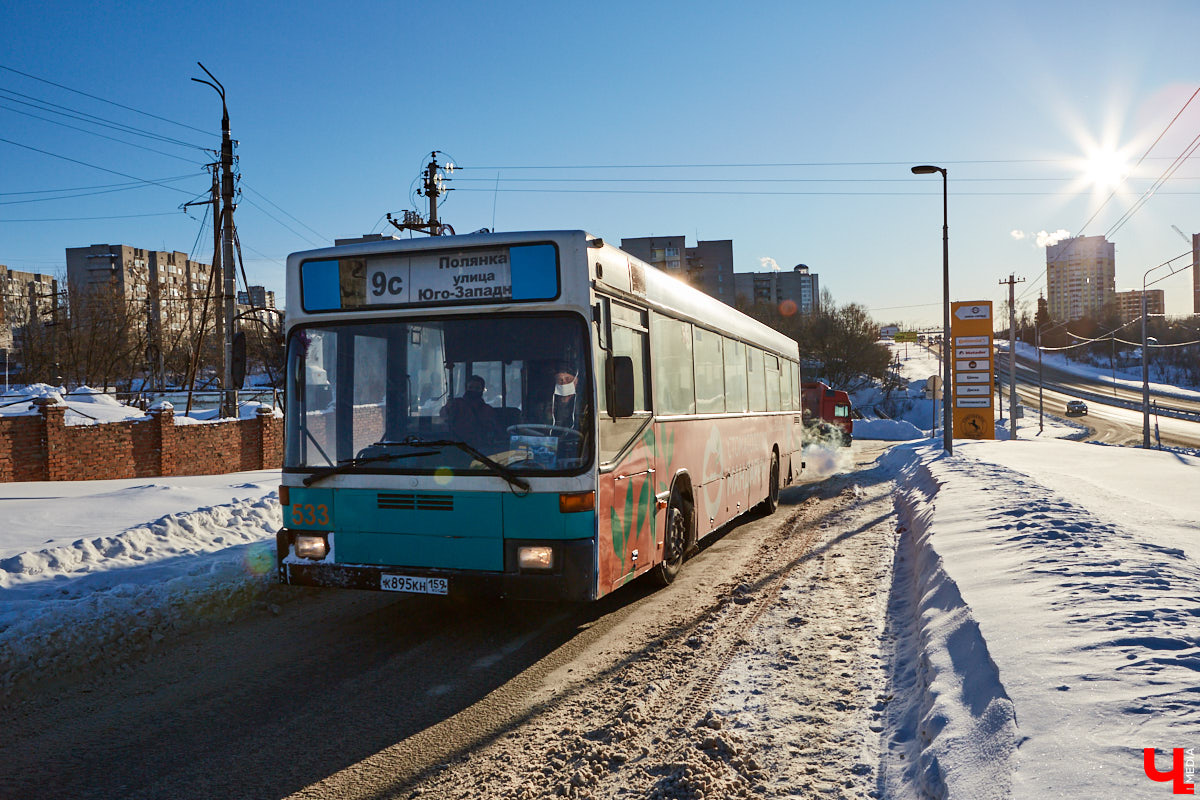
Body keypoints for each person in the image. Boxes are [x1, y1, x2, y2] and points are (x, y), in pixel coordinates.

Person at [441, 374, 501, 445]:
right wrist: (448, 407)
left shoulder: (487, 410)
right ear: (466, 388)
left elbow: (492, 430)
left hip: (481, 448)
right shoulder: (456, 404)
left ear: (482, 390)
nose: (473, 390)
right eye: (470, 387)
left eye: (477, 388)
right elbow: (443, 415)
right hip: (457, 445)